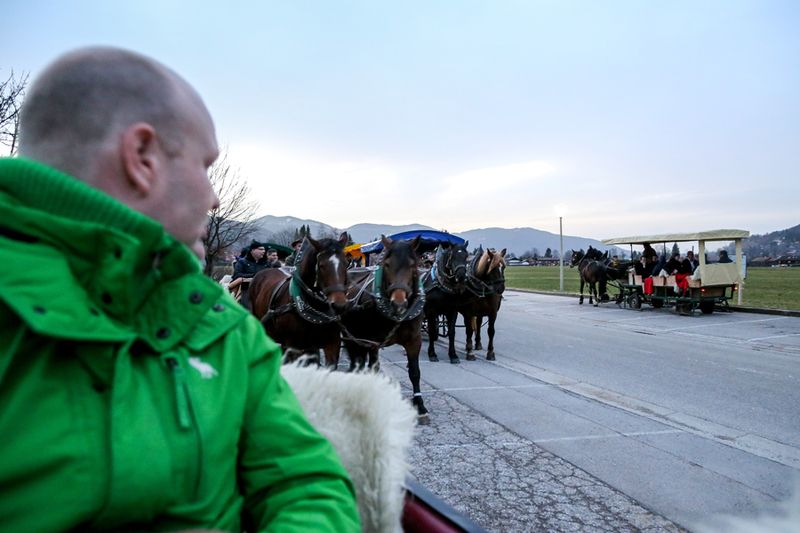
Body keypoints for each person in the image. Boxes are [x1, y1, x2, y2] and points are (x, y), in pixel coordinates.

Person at [0, 47, 359, 532]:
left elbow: (305, 482)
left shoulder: (224, 326)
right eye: (206, 166)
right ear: (142, 158)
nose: (214, 198)